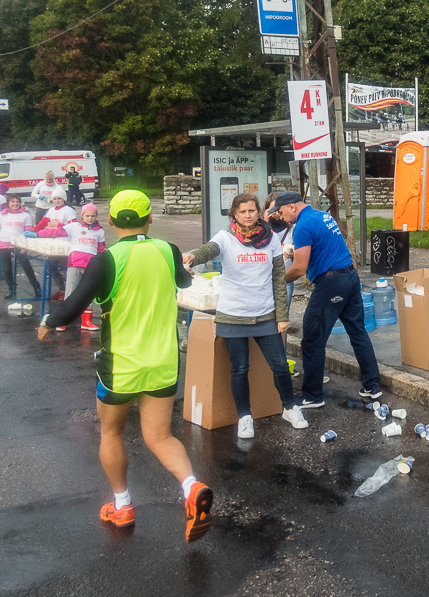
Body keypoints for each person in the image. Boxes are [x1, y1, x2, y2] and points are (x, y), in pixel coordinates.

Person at [37, 190, 214, 543]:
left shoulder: (106, 260)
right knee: (160, 436)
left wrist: (48, 322)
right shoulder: (168, 250)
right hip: (163, 362)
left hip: (121, 366)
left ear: (112, 222)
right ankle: (192, 487)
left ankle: (123, 505)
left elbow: (73, 305)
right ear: (150, 219)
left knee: (111, 432)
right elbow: (184, 281)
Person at [183, 193, 308, 438]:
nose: (248, 215)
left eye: (252, 211)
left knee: (281, 366)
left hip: (265, 315)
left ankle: (290, 407)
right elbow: (208, 250)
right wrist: (193, 257)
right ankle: (245, 416)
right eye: (243, 212)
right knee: (239, 368)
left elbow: (278, 280)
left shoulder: (271, 238)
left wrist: (282, 316)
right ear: (234, 215)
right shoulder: (225, 237)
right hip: (233, 315)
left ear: (259, 213)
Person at [268, 190, 383, 405]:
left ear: (292, 206)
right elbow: (323, 246)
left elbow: (299, 269)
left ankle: (312, 396)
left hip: (331, 284)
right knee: (358, 332)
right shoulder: (322, 215)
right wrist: (297, 252)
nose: (281, 217)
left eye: (281, 212)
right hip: (349, 277)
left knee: (312, 339)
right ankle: (372, 386)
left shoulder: (302, 226)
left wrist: (272, 281)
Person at [31, 201, 105, 331]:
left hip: (90, 266)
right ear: (82, 216)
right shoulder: (74, 226)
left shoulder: (100, 232)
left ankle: (86, 322)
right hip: (75, 263)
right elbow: (56, 232)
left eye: (93, 216)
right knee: (70, 292)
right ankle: (62, 321)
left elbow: (101, 250)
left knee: (88, 292)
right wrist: (37, 234)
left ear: (96, 216)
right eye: (87, 215)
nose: (90, 218)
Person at [0, 193, 42, 298]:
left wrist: (25, 246)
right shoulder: (1, 214)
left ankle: (36, 288)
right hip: (3, 242)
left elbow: (27, 232)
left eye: (17, 202)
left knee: (26, 266)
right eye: (13, 202)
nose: (15, 204)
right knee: (7, 268)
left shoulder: (25, 215)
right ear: (8, 203)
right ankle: (11, 290)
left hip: (19, 244)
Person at [264, 191, 295, 313]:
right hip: (264, 278)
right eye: (272, 209)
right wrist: (264, 222)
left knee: (282, 316)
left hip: (285, 278)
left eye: (278, 209)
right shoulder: (261, 228)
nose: (276, 213)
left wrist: (294, 253)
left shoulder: (293, 227)